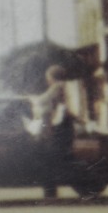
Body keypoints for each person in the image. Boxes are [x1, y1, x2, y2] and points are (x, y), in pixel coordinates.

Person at [29, 65, 74, 199]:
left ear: (52, 77)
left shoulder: (57, 86)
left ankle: (50, 192)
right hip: (62, 127)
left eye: (48, 77)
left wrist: (33, 99)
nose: (47, 80)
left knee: (48, 161)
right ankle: (51, 191)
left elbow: (44, 101)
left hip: (56, 129)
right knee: (50, 161)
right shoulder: (63, 87)